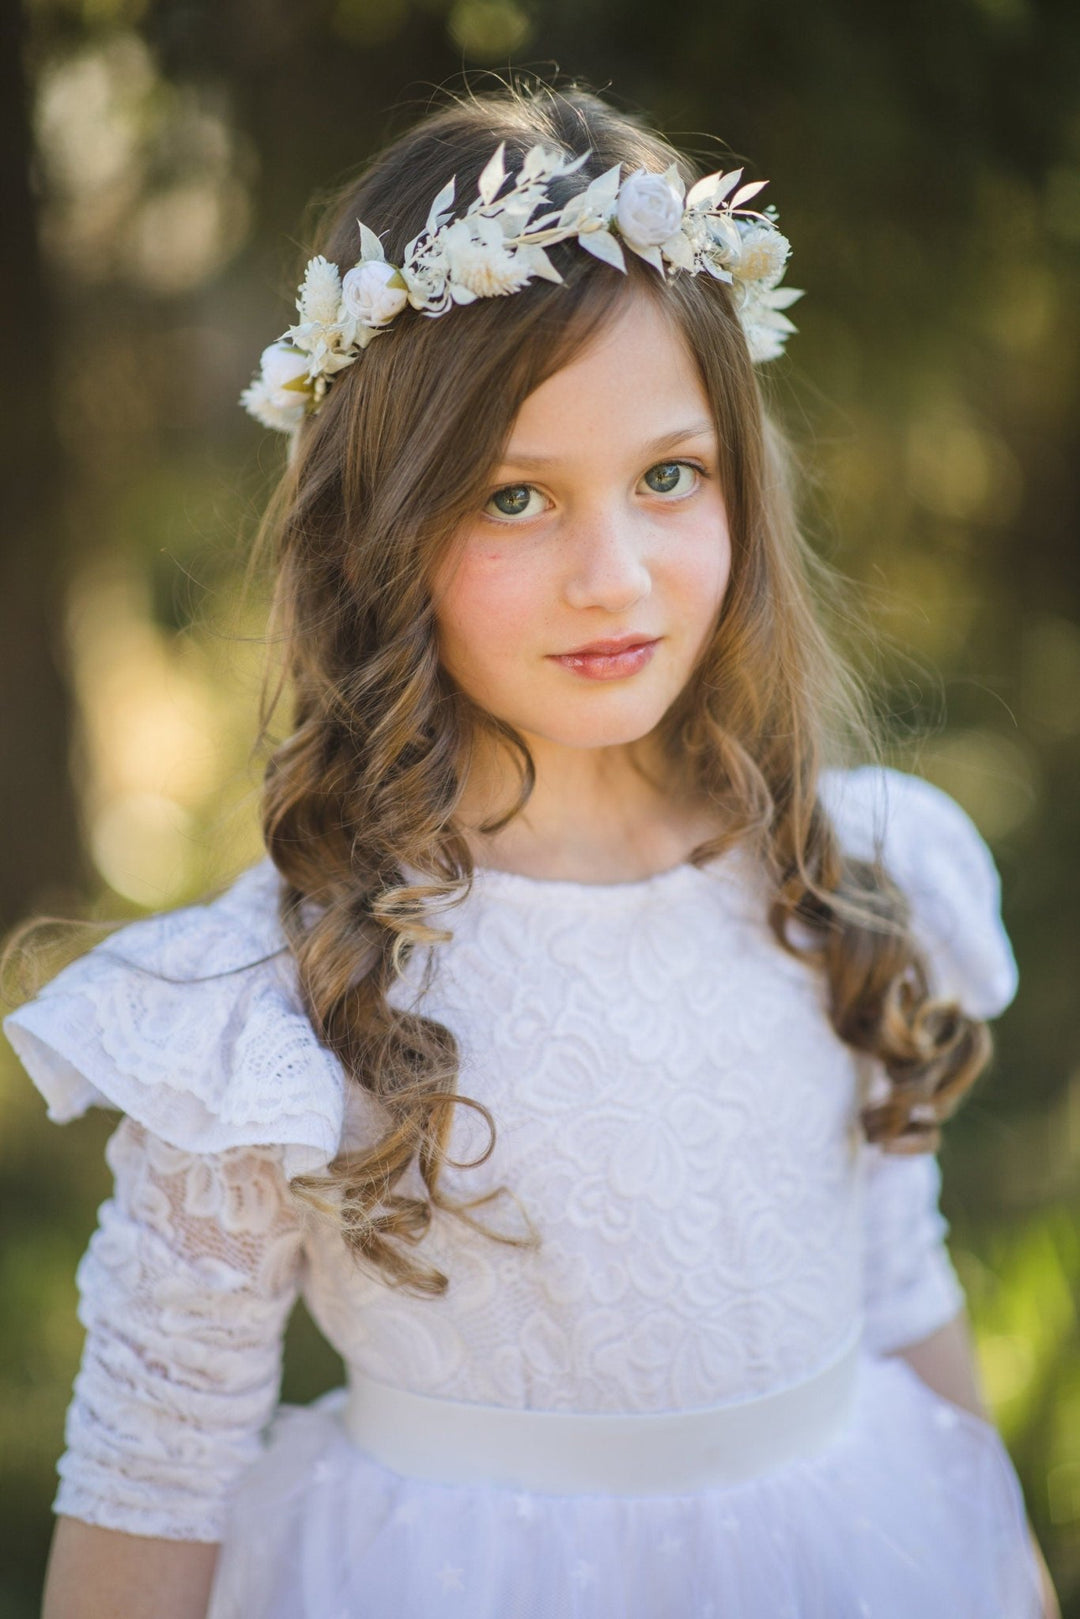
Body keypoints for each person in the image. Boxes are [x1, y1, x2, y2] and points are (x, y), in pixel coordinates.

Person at [3, 80, 1059, 1619]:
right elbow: (153, 1480)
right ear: (381, 526)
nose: (613, 575)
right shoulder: (274, 1002)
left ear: (740, 485)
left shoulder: (847, 881)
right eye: (514, 496)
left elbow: (897, 1290)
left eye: (667, 478)